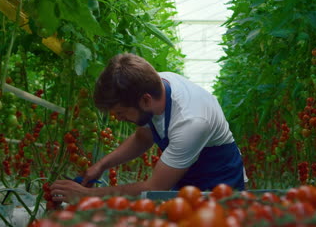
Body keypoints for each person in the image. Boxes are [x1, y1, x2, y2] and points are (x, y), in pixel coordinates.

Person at [51, 53, 245, 202]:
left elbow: (155, 188)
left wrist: (86, 195)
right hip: (187, 177)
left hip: (221, 182)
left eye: (121, 112)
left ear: (145, 100)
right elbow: (143, 138)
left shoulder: (191, 122)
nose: (119, 119)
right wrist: (102, 165)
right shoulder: (151, 86)